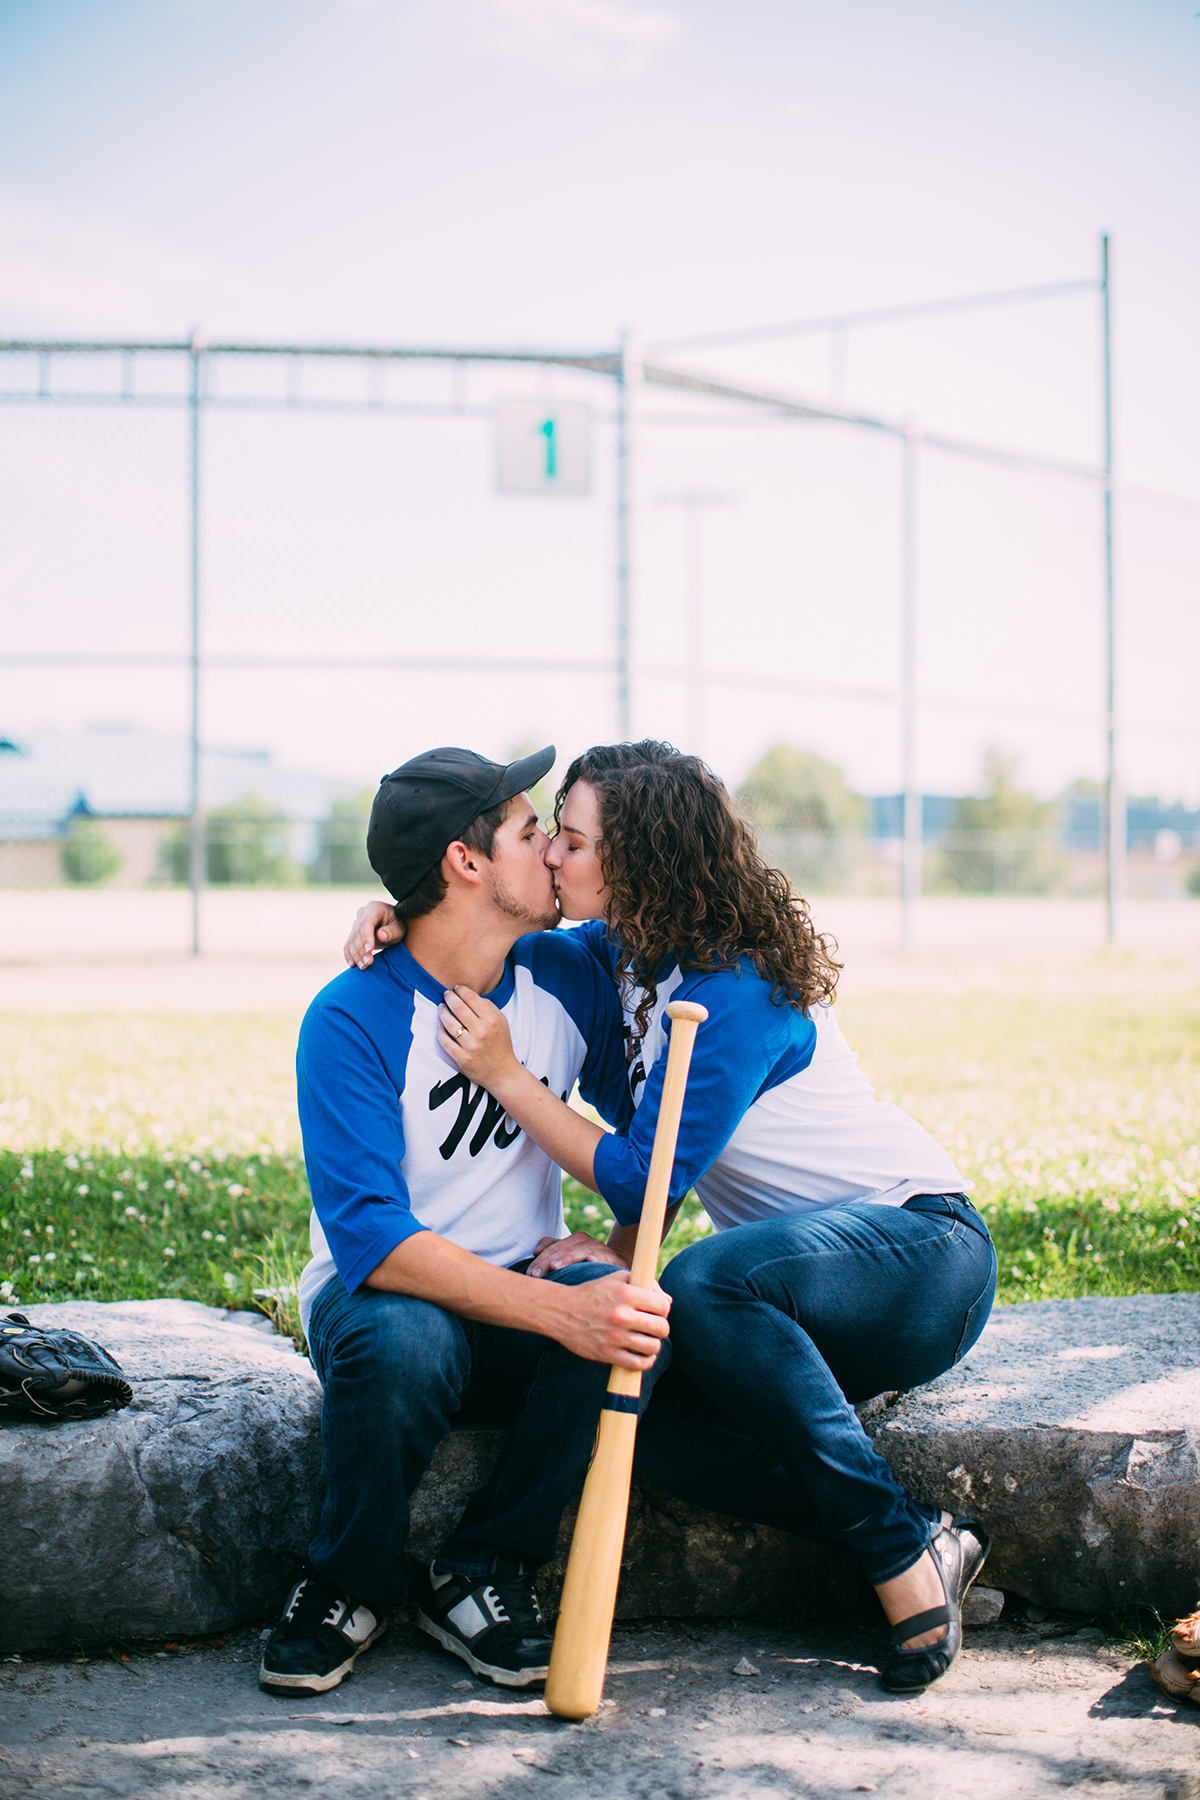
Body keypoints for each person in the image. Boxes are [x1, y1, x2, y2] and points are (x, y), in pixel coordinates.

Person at [346, 741, 998, 1695]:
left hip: (915, 1255)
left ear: (641, 859)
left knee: (700, 1281)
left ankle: (899, 1570)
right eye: (551, 838)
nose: (556, 858)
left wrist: (506, 1077)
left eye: (571, 840)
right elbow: (483, 931)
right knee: (623, 1385)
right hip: (787, 1300)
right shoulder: (621, 958)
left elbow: (643, 1173)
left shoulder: (738, 990)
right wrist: (397, 917)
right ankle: (922, 1536)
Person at [261, 744, 671, 1700]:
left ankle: (484, 1567)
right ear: (467, 862)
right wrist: (557, 1313)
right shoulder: (351, 1017)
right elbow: (374, 1241)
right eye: (534, 835)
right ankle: (343, 1582)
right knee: (406, 1340)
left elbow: (646, 1152)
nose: (557, 857)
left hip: (521, 1287)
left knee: (624, 1314)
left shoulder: (563, 979)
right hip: (388, 1302)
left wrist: (600, 1272)